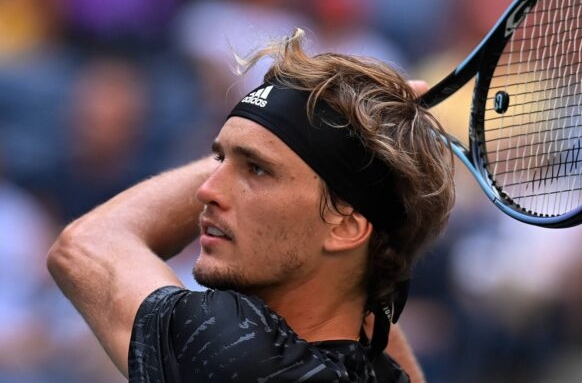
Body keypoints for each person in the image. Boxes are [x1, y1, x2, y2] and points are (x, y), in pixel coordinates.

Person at [47, 28, 455, 382]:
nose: (207, 190)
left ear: (345, 226)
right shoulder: (383, 373)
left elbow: (88, 244)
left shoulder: (239, 353)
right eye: (220, 159)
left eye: (257, 170)